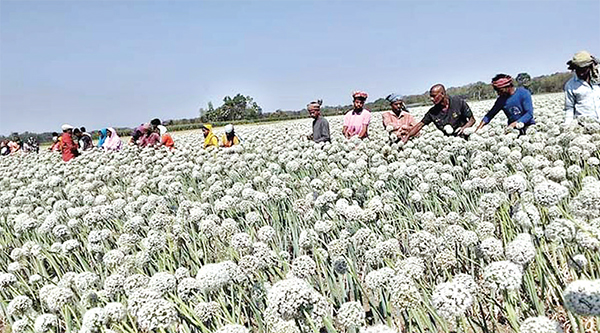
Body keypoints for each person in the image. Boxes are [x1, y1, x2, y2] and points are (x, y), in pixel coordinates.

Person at [402, 84, 475, 142]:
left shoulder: (458, 102)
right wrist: (408, 136)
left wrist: (463, 128)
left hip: (465, 139)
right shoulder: (432, 112)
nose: (431, 99)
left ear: (442, 94)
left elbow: (472, 120)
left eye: (434, 96)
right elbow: (420, 125)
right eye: (430, 96)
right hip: (448, 142)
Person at [564, 50, 600, 124]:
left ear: (590, 67)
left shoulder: (598, 80)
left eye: (583, 69)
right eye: (577, 69)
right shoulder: (571, 85)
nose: (581, 73)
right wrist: (567, 126)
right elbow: (569, 108)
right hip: (584, 126)